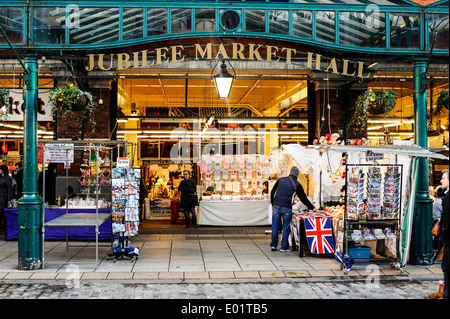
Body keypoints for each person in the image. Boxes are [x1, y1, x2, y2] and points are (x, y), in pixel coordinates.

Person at [270, 166, 316, 251]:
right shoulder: (297, 184)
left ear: (290, 173)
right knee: (286, 227)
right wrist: (312, 207)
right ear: (297, 174)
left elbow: (273, 191)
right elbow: (303, 198)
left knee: (275, 226)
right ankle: (283, 247)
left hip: (276, 205)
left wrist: (273, 203)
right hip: (287, 207)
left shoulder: (281, 180)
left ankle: (273, 245)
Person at [429, 169, 449, 299]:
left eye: (443, 178)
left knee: (446, 266)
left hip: (448, 237)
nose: (441, 180)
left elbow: (447, 218)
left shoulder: (447, 197)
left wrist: (443, 234)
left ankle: (446, 293)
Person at [0, 165, 13, 229]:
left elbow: (9, 189)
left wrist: (9, 200)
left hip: (3, 198)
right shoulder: (0, 177)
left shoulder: (8, 178)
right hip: (1, 197)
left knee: (1, 214)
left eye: (0, 169)